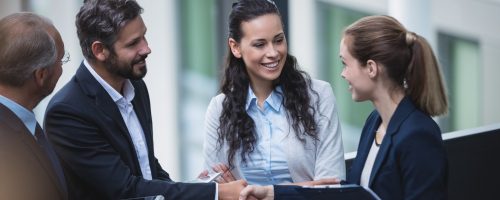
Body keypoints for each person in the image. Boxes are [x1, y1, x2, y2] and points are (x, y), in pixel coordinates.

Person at [43, 0, 246, 199]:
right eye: (133, 43)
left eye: (144, 37)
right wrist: (216, 193)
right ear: (99, 50)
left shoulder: (135, 86)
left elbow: (147, 168)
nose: (146, 48)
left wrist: (196, 187)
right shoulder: (67, 113)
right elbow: (124, 190)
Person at [239, 15, 449, 200]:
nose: (343, 74)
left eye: (345, 64)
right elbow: (351, 193)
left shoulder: (419, 135)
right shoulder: (375, 121)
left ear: (371, 68)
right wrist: (271, 193)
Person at [203, 0, 345, 186]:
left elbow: (331, 186)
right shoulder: (219, 109)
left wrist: (252, 194)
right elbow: (214, 188)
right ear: (235, 47)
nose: (273, 53)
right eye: (260, 44)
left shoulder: (318, 96)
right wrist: (304, 188)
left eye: (278, 40)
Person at [0, 12, 67, 200]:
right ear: (41, 75)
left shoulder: (22, 124)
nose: (62, 68)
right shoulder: (6, 146)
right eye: (61, 60)